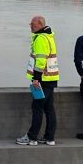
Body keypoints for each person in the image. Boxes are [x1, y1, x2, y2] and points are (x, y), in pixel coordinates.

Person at [17, 15, 59, 146]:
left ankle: (32, 137)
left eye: (33, 24)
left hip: (42, 80)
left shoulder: (40, 38)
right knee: (49, 109)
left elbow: (40, 60)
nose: (31, 26)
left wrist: (36, 78)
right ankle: (49, 138)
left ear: (40, 24)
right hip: (51, 78)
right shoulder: (48, 37)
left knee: (37, 107)